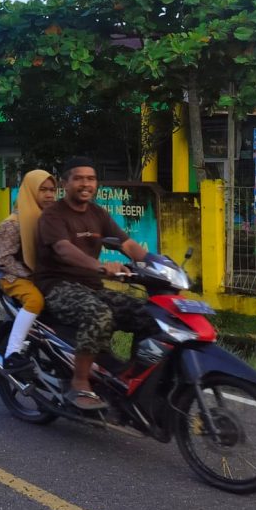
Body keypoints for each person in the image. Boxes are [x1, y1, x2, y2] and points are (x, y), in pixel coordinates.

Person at [33, 156, 153, 411]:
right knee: (99, 315)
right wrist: (100, 266)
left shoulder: (98, 213)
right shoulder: (53, 215)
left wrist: (158, 263)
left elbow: (126, 243)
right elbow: (64, 249)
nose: (85, 184)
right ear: (66, 183)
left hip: (92, 286)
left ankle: (127, 374)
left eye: (91, 178)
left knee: (147, 313)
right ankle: (79, 381)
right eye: (79, 178)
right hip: (57, 286)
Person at [0, 169, 56, 372]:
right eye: (43, 190)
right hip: (13, 276)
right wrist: (30, 274)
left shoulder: (49, 218)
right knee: (35, 300)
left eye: (52, 190)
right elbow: (3, 259)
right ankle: (12, 353)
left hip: (39, 275)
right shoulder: (12, 223)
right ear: (30, 191)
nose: (49, 195)